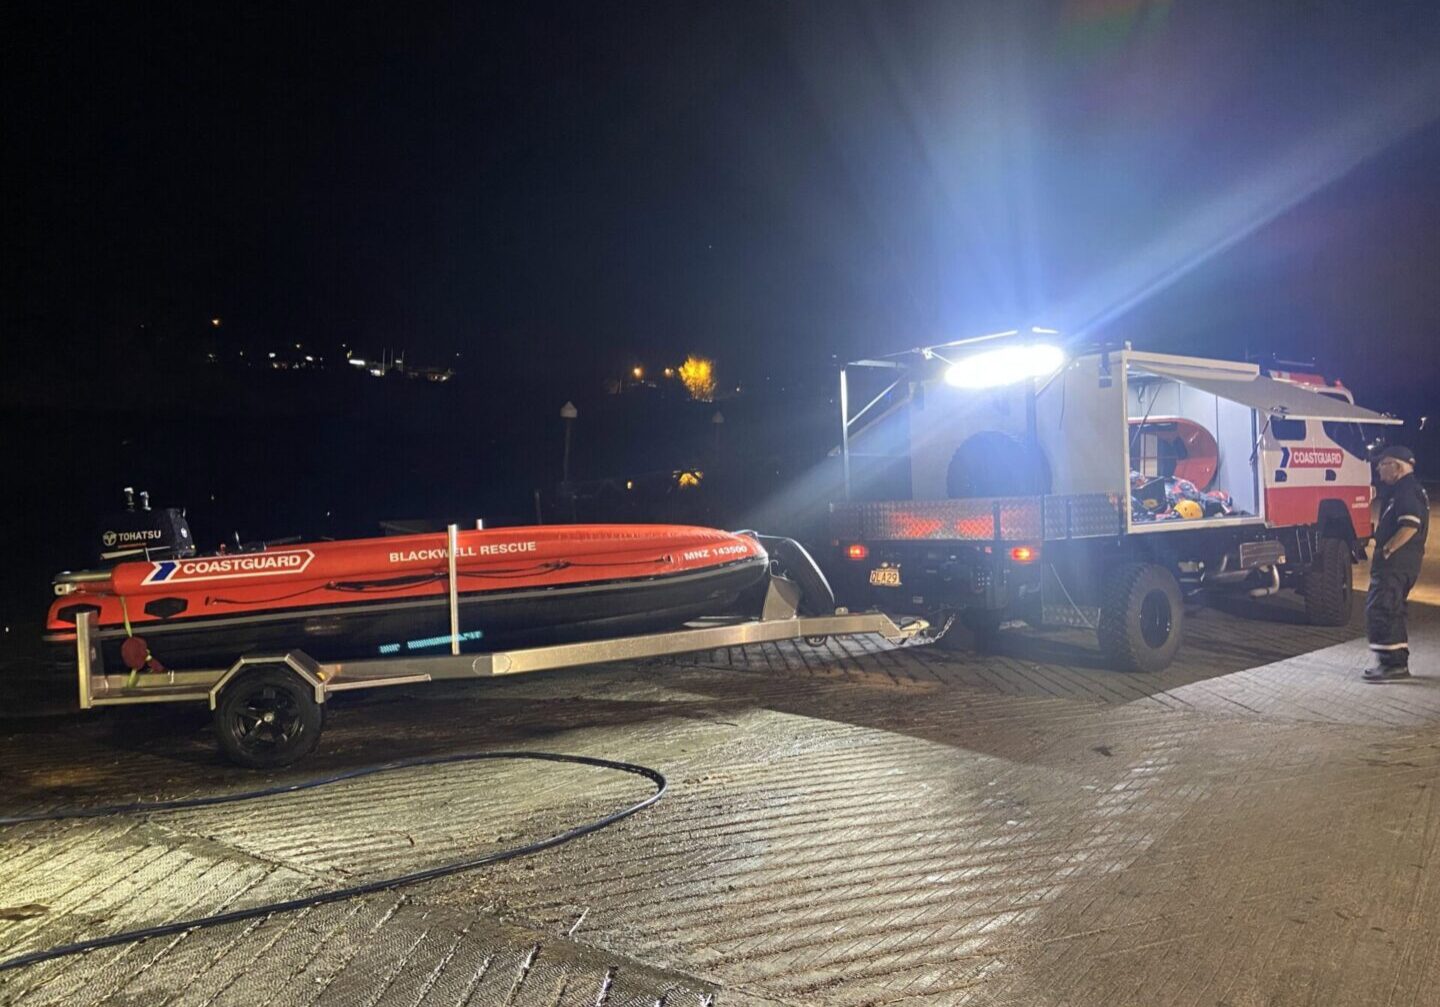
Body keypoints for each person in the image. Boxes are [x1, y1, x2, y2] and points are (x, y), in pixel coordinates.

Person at [1364, 445, 1429, 682]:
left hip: (1396, 565)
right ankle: (1394, 661)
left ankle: (1392, 666)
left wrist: (1389, 548)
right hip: (1404, 564)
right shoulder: (1409, 488)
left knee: (1382, 609)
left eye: (1383, 464)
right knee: (1393, 610)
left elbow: (1410, 524)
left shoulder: (1405, 491)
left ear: (1397, 467)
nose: (1378, 468)